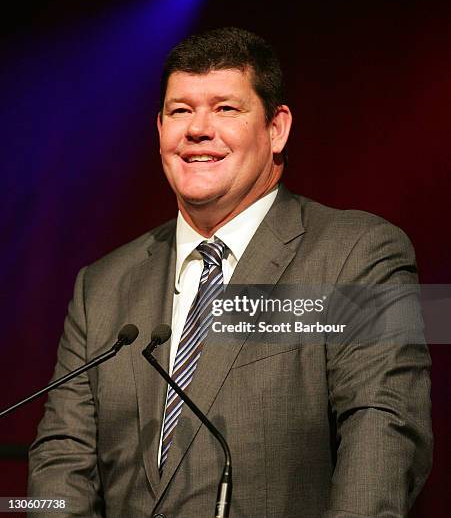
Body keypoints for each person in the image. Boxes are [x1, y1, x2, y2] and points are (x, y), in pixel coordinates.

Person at [28, 27, 432, 517]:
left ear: (277, 128)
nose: (197, 130)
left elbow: (383, 435)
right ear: (159, 129)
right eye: (180, 111)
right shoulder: (101, 286)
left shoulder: (358, 254)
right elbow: (59, 462)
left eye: (225, 108)